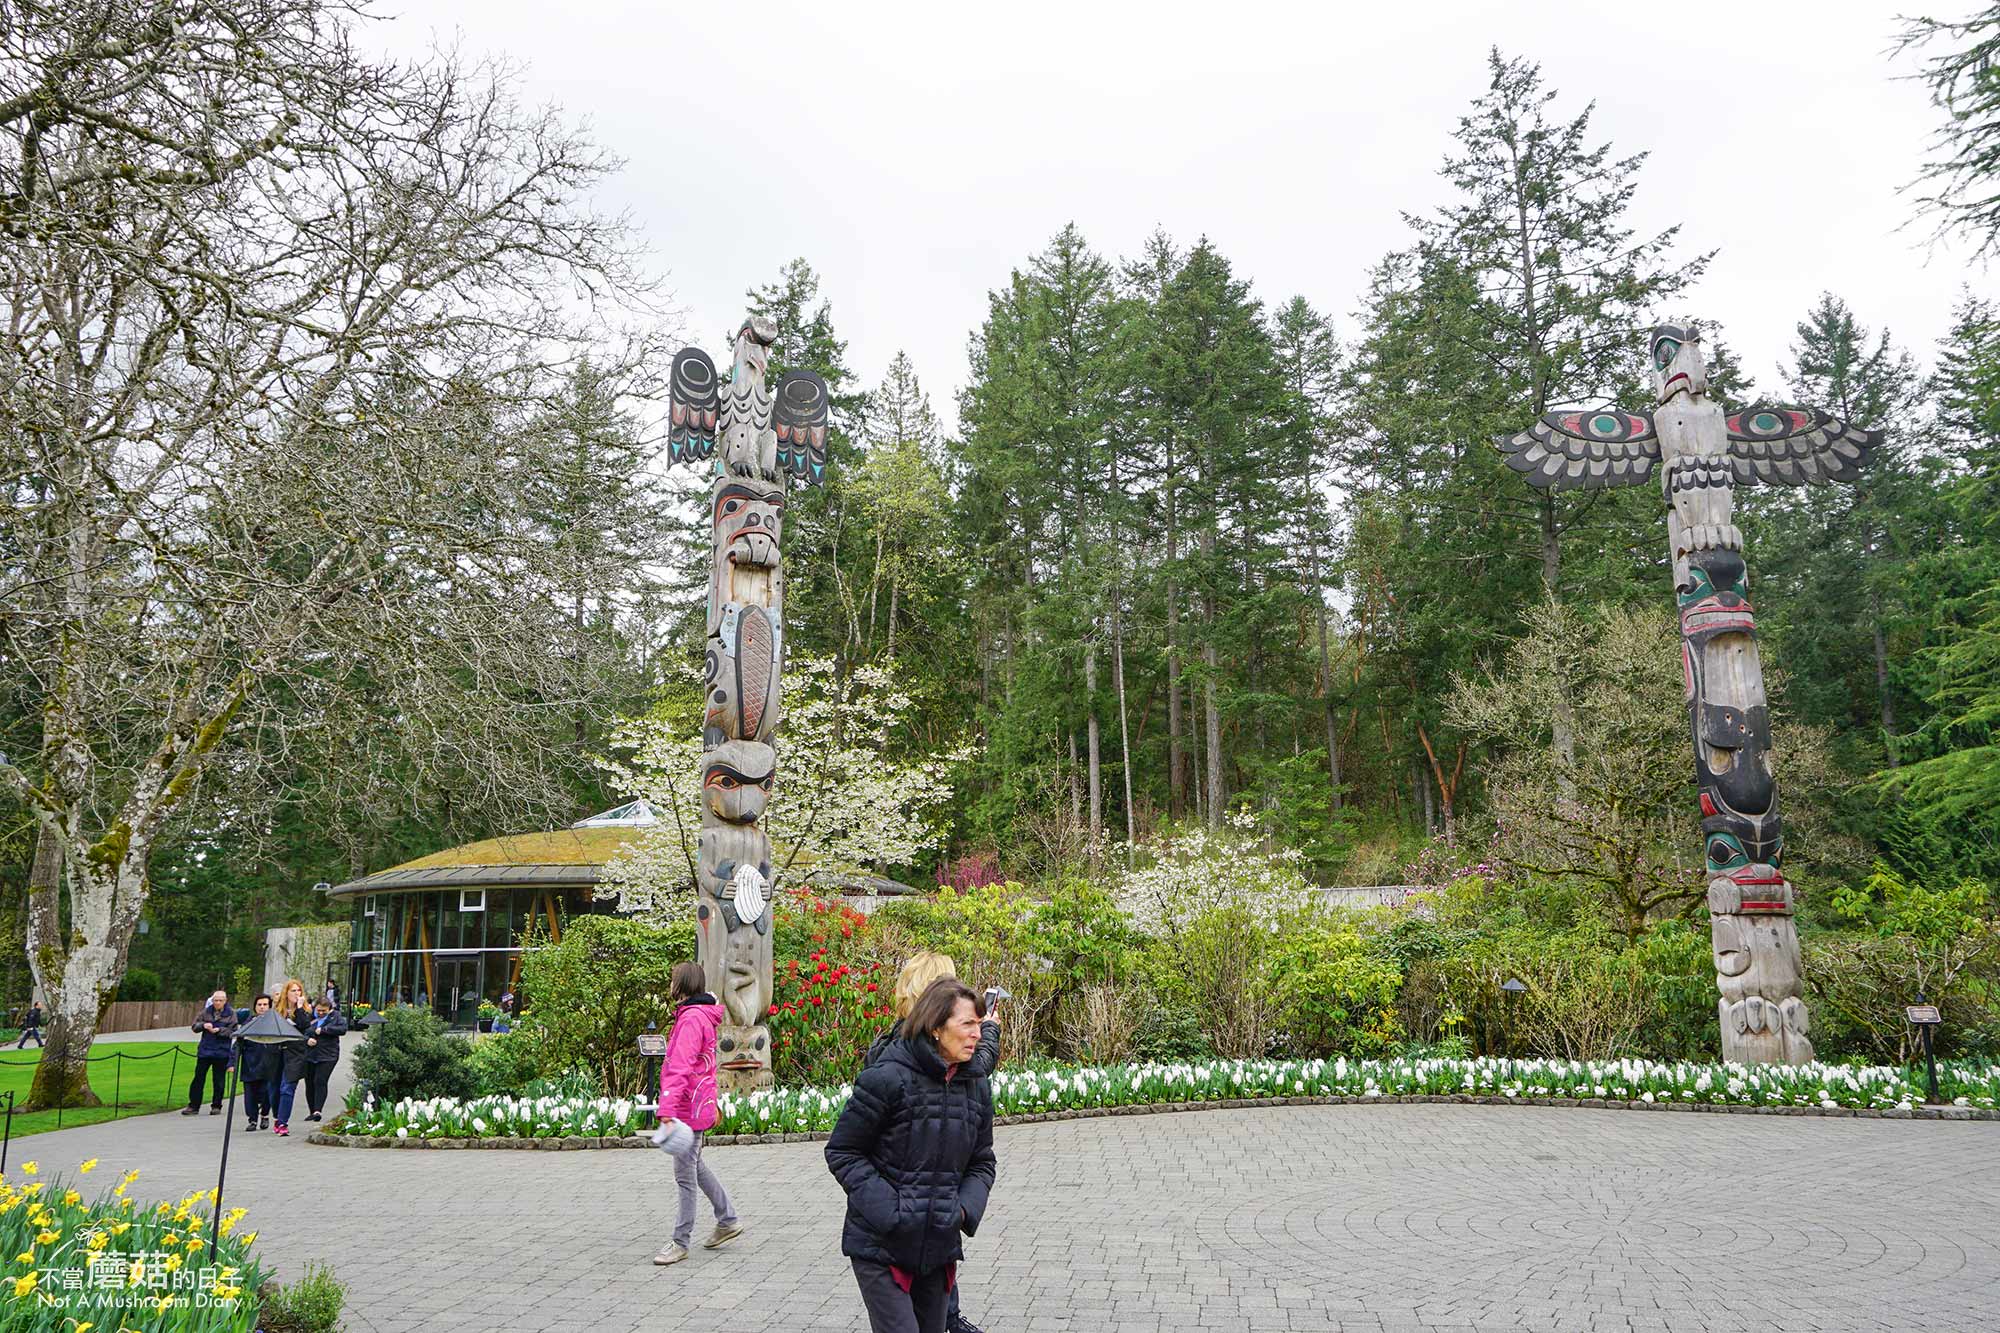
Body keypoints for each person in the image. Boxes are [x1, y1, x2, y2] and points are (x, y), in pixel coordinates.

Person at [826, 978, 997, 1333]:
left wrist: (962, 1210)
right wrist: (892, 1212)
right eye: (967, 1024)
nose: (977, 1035)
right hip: (880, 1246)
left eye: (980, 1025)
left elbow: (983, 1161)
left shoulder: (975, 1084)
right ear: (936, 1027)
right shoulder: (888, 1077)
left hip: (938, 1245)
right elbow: (843, 1150)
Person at [649, 962, 743, 1266]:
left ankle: (680, 1241)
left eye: (673, 979)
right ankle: (727, 1218)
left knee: (684, 1175)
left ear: (681, 985)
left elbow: (681, 1067)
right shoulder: (701, 1015)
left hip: (687, 1107)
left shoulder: (691, 1019)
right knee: (694, 1165)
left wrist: (667, 1109)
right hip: (697, 1104)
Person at [182, 989, 238, 1116]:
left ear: (225, 1001)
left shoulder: (231, 1014)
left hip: (221, 1052)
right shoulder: (206, 1012)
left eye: (220, 1000)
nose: (217, 1003)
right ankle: (193, 1105)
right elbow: (194, 1026)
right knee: (198, 1078)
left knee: (218, 1080)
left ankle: (216, 1105)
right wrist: (203, 1025)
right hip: (205, 1051)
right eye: (215, 1000)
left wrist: (219, 1030)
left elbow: (233, 1031)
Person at [271, 977, 310, 1136]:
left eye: (298, 990)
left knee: (287, 1088)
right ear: (286, 993)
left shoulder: (304, 1010)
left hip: (295, 1054)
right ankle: (277, 1116)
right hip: (277, 1052)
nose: (296, 993)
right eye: (293, 990)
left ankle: (283, 1123)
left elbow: (304, 1026)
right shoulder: (277, 1011)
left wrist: (299, 1008)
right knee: (274, 1090)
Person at [300, 998, 348, 1121]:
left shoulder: (336, 1017)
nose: (321, 1013)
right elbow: (302, 1031)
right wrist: (307, 1040)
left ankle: (318, 1111)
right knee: (309, 1082)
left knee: (320, 1080)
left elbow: (342, 1030)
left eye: (324, 1011)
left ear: (329, 1009)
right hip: (310, 1054)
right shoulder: (310, 1017)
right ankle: (312, 1110)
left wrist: (325, 1030)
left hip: (328, 1055)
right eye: (319, 1010)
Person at [237, 994, 280, 1132]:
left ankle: (265, 1115)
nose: (262, 1007)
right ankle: (252, 1119)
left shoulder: (276, 1024)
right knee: (250, 1095)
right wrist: (232, 1062)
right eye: (259, 1005)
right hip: (250, 1064)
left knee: (267, 1093)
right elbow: (238, 1044)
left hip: (269, 1065)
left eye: (265, 1005)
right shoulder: (248, 1023)